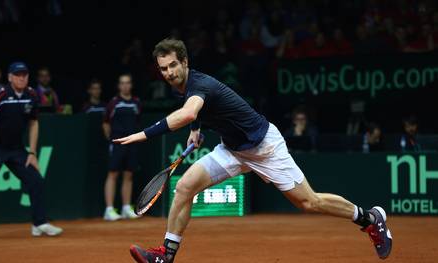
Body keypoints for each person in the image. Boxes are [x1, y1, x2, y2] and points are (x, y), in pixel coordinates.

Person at [114, 39, 393, 263]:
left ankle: (369, 218)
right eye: (163, 69)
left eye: (173, 65)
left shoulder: (201, 85)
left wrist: (143, 134)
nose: (169, 73)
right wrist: (197, 130)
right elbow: (194, 112)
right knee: (185, 187)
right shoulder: (186, 86)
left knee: (309, 202)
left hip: (264, 147)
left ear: (185, 62)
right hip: (233, 149)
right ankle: (165, 256)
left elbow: (188, 112)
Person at [0, 62, 63, 241]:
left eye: (24, 75)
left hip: (17, 149)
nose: (21, 78)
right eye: (17, 75)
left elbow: (34, 123)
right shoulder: (0, 95)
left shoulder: (31, 95)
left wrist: (32, 153)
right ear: (10, 77)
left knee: (35, 179)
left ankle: (39, 224)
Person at [102, 74, 141, 221]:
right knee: (113, 174)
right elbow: (105, 123)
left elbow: (137, 121)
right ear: (119, 86)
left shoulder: (136, 103)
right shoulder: (114, 103)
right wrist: (111, 140)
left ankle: (125, 207)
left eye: (127, 83)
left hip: (132, 143)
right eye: (122, 83)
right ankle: (109, 209)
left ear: (131, 85)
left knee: (128, 175)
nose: (125, 86)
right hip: (117, 144)